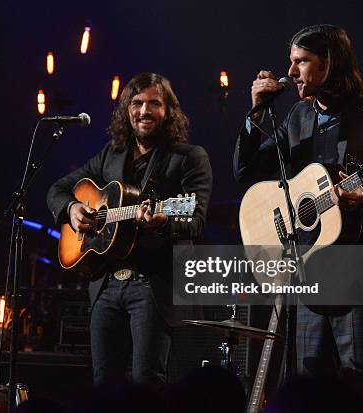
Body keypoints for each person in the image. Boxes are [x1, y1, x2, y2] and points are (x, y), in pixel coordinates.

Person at [234, 25, 363, 385]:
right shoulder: (297, 118)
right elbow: (246, 172)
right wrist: (255, 114)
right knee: (308, 381)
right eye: (291, 62)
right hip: (310, 270)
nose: (290, 73)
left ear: (330, 64)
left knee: (361, 380)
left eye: (301, 62)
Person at [47, 72, 212, 385]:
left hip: (153, 285)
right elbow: (58, 189)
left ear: (169, 111)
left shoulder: (188, 158)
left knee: (146, 382)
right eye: (136, 103)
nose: (144, 111)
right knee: (103, 383)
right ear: (126, 110)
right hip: (106, 284)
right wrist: (72, 209)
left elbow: (195, 217)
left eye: (154, 103)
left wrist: (164, 220)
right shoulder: (112, 154)